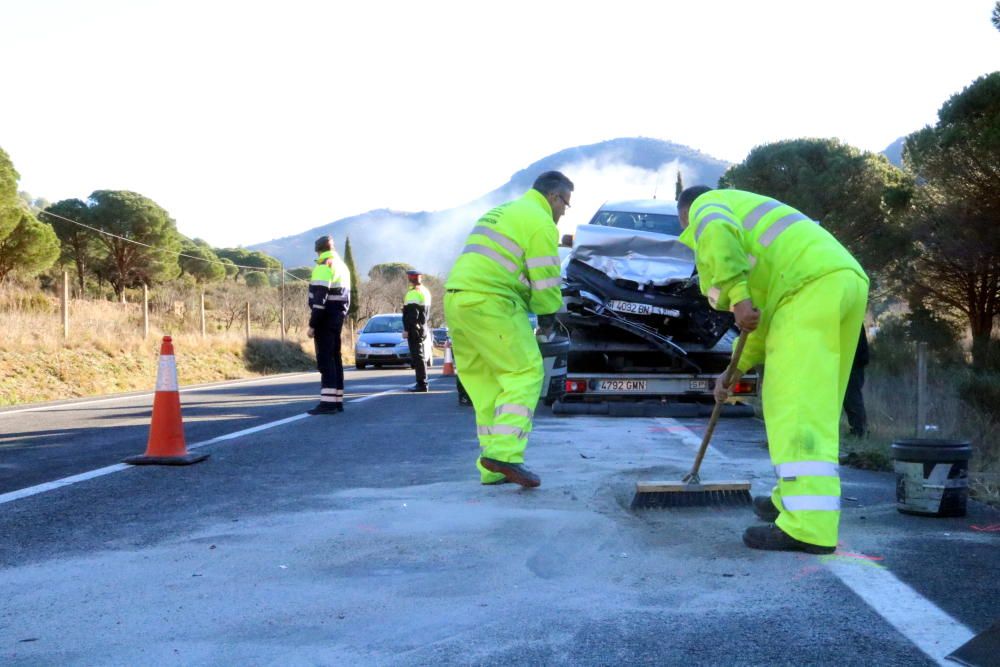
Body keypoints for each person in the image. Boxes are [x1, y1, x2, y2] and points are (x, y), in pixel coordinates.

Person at [677, 185, 868, 554]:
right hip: (844, 280)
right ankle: (790, 502)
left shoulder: (704, 207)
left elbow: (714, 232)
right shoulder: (761, 243)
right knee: (818, 406)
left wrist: (737, 295)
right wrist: (734, 369)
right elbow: (759, 327)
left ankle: (808, 526)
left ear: (685, 215)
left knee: (794, 408)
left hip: (807, 287)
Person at [444, 171, 571, 488]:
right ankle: (506, 456)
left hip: (458, 302)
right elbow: (545, 280)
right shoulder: (540, 222)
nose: (564, 212)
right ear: (554, 197)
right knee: (526, 372)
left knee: (488, 387)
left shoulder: (502, 212)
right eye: (566, 204)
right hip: (493, 303)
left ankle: (491, 467)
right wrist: (547, 317)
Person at [306, 235, 351, 415]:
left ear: (318, 250)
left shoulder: (324, 266)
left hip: (325, 318)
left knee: (325, 359)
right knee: (335, 358)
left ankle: (327, 403)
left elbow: (319, 299)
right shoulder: (342, 266)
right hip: (337, 316)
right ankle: (337, 400)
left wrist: (312, 324)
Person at [402, 270, 432, 392]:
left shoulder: (413, 293)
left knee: (418, 357)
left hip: (415, 329)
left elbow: (412, 315)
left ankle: (422, 383)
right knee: (420, 357)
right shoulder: (425, 291)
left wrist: (408, 330)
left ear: (410, 279)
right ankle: (422, 383)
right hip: (422, 327)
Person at [843, 327, 869, 438]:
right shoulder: (856, 321)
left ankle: (859, 431)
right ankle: (859, 430)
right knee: (851, 398)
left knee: (852, 398)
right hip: (852, 362)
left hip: (853, 363)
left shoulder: (856, 324)